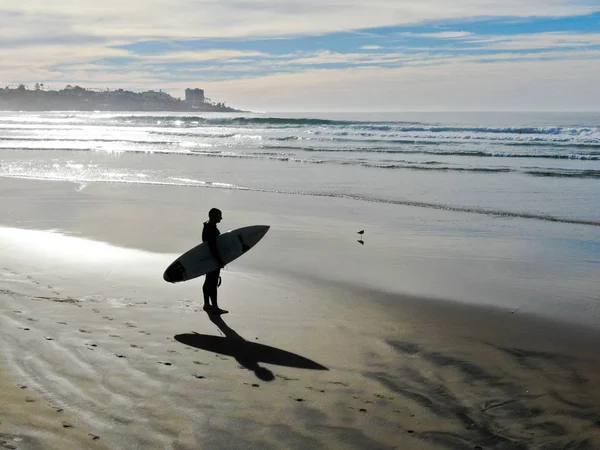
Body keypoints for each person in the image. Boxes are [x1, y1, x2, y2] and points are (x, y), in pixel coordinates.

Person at [202, 208, 228, 314]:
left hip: (209, 258)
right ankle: (214, 307)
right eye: (219, 216)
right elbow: (212, 247)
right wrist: (219, 261)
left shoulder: (208, 226)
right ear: (213, 216)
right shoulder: (211, 229)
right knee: (212, 282)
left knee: (209, 281)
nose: (221, 218)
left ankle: (207, 304)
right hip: (212, 258)